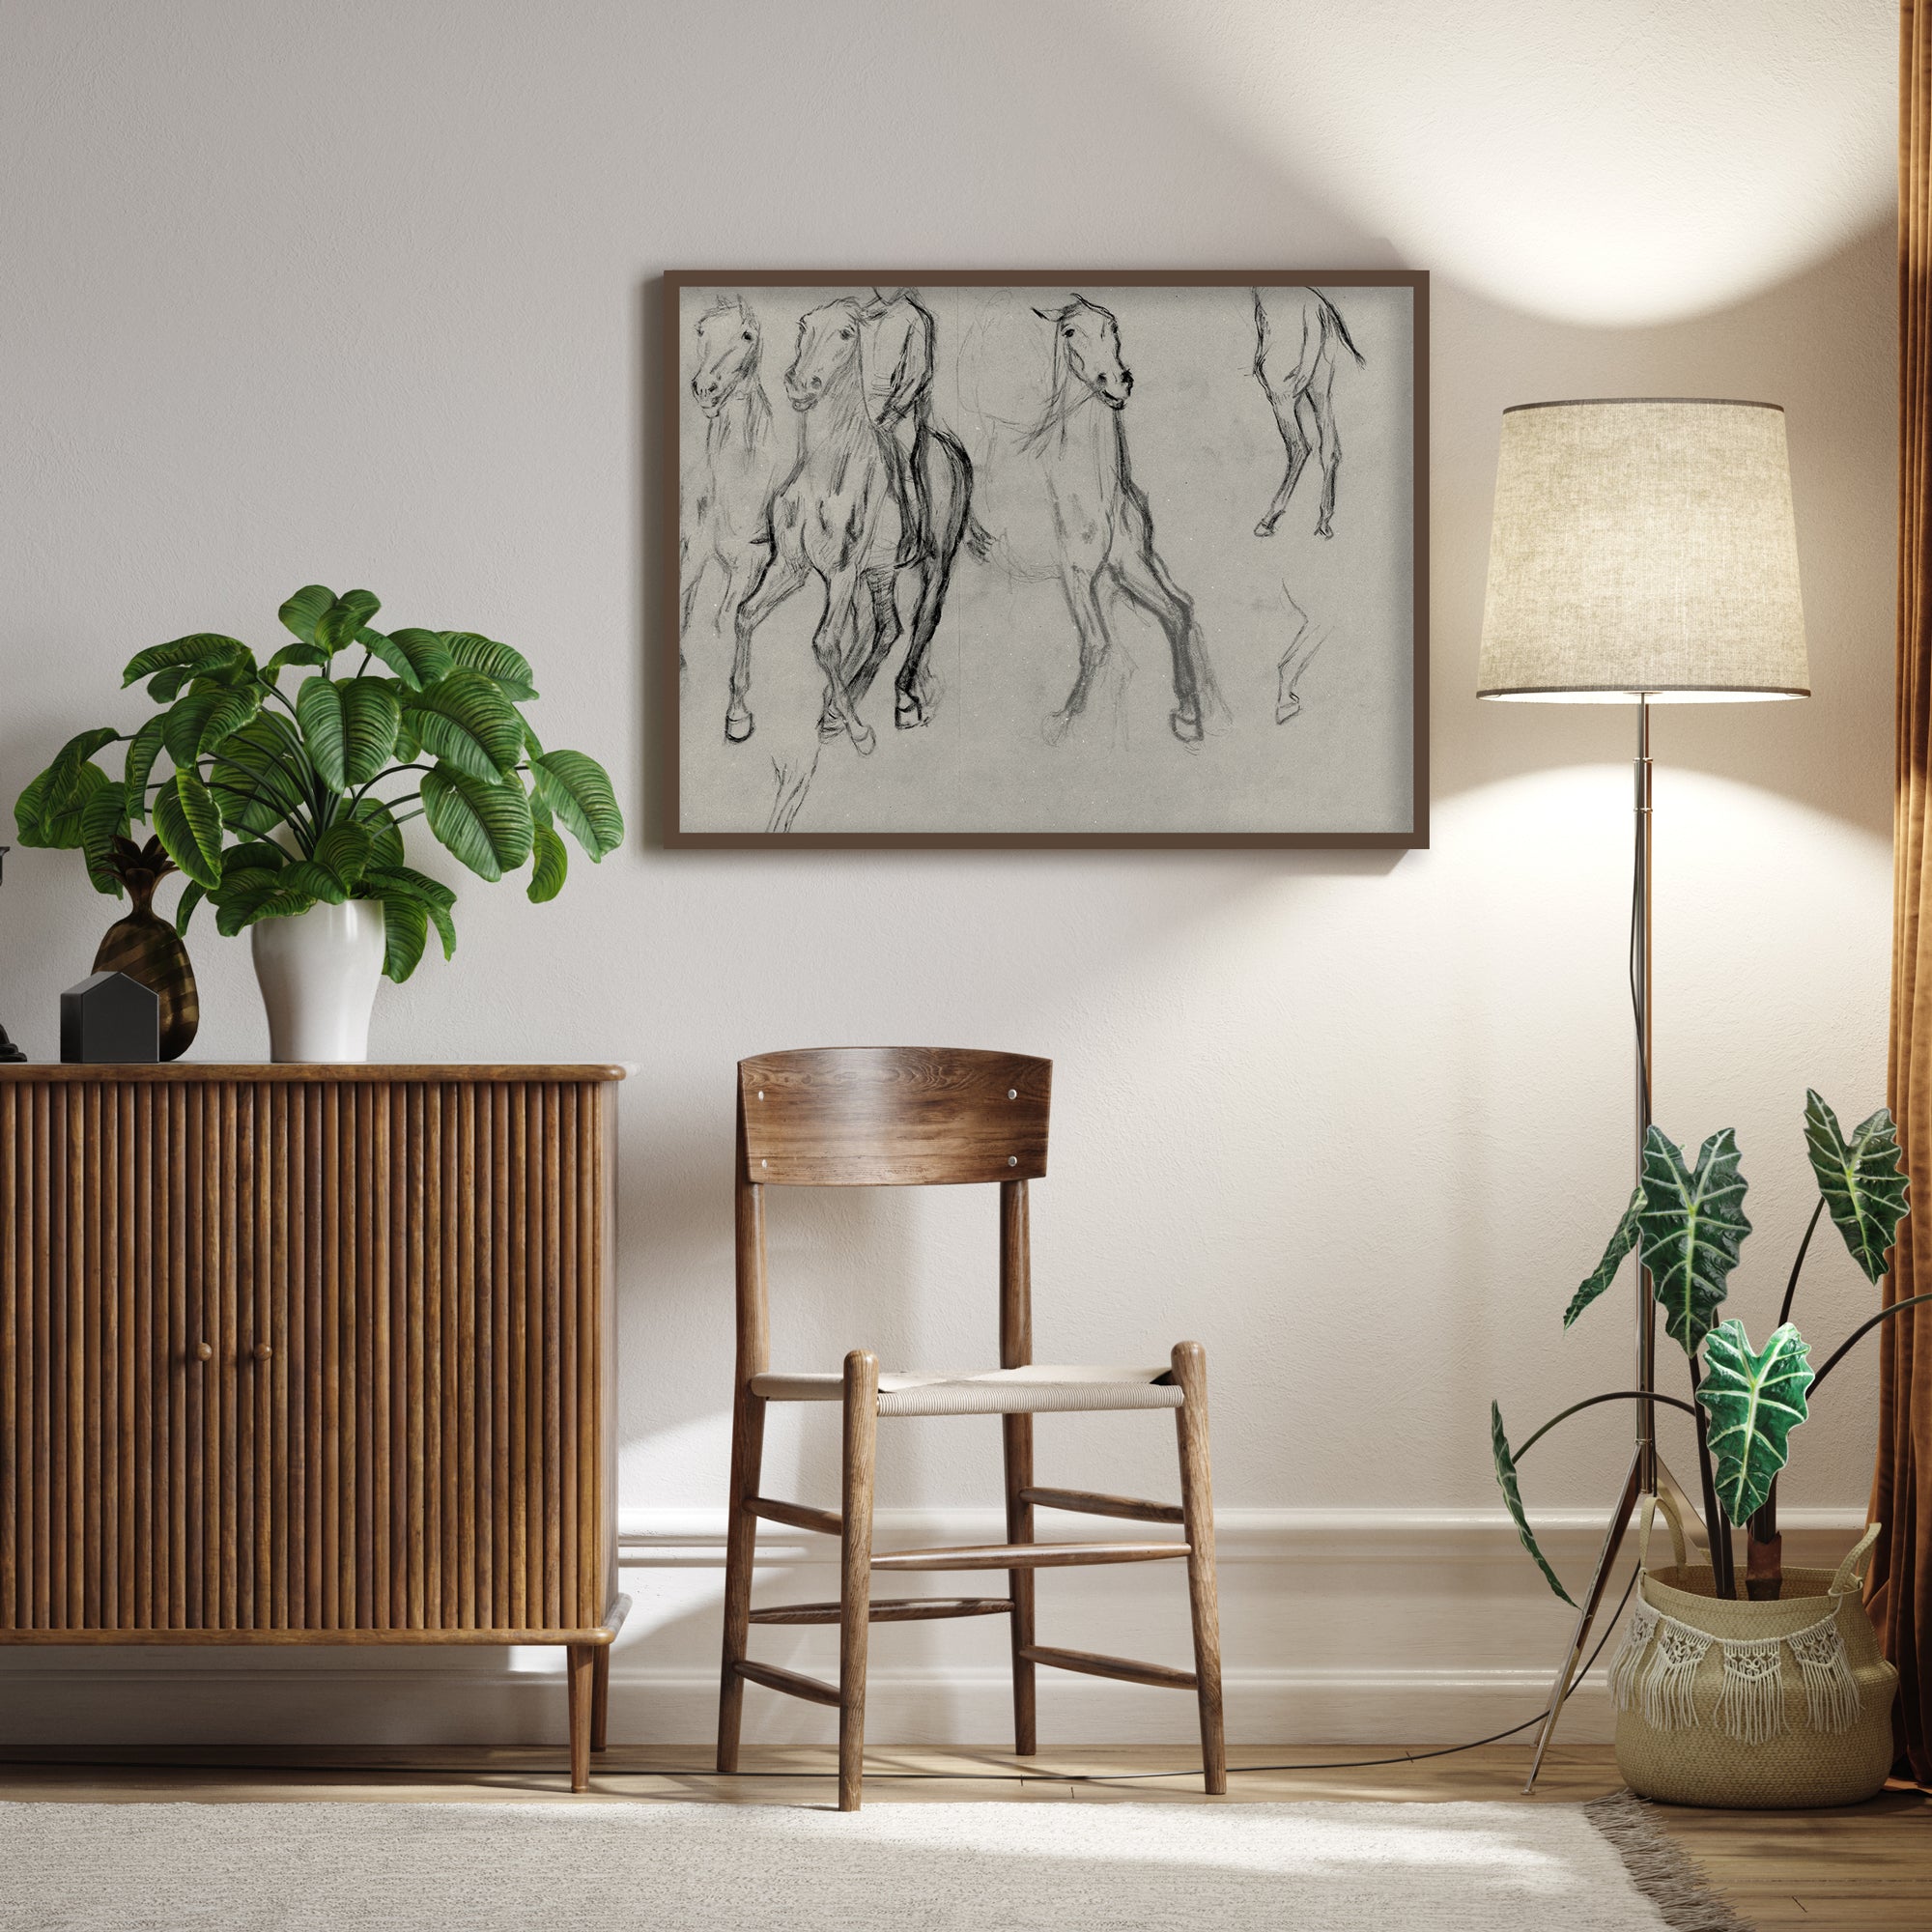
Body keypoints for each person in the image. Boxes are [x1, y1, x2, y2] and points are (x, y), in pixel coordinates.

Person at [857, 288, 936, 568]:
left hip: (897, 412)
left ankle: (914, 536)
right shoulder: (865, 315)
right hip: (862, 405)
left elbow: (917, 374)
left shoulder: (916, 318)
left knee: (903, 469)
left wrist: (892, 414)